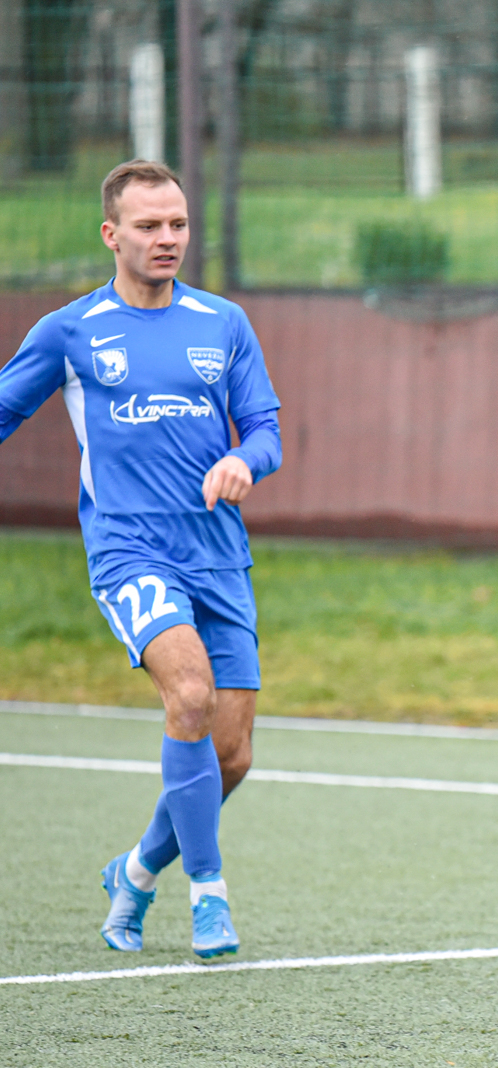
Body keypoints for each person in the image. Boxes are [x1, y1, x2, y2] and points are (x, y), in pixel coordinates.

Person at [0, 161, 282, 959]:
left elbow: (266, 430)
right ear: (111, 234)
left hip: (217, 555)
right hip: (130, 551)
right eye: (149, 225)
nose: (167, 238)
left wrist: (244, 462)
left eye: (178, 224)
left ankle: (134, 870)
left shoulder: (222, 322)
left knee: (231, 755)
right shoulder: (71, 331)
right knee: (188, 695)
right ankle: (209, 896)